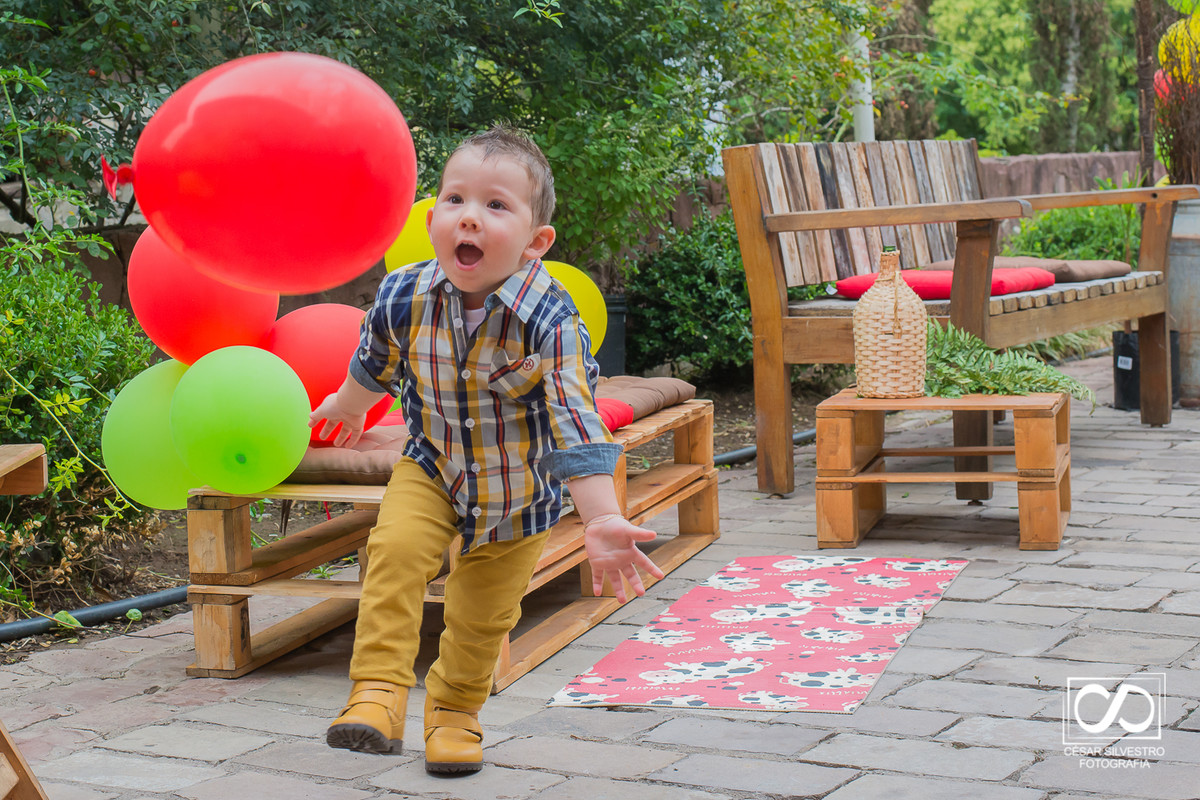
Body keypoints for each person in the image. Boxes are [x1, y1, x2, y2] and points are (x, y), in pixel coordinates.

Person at [310, 125, 664, 774]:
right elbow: (374, 360)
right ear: (433, 214)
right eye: (454, 199)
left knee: (480, 617)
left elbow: (574, 421)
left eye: (496, 205)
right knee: (392, 558)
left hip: (519, 496)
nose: (469, 216)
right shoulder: (403, 294)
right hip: (433, 466)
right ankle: (377, 696)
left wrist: (602, 517)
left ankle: (453, 716)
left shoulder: (550, 318)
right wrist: (346, 406)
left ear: (535, 243)